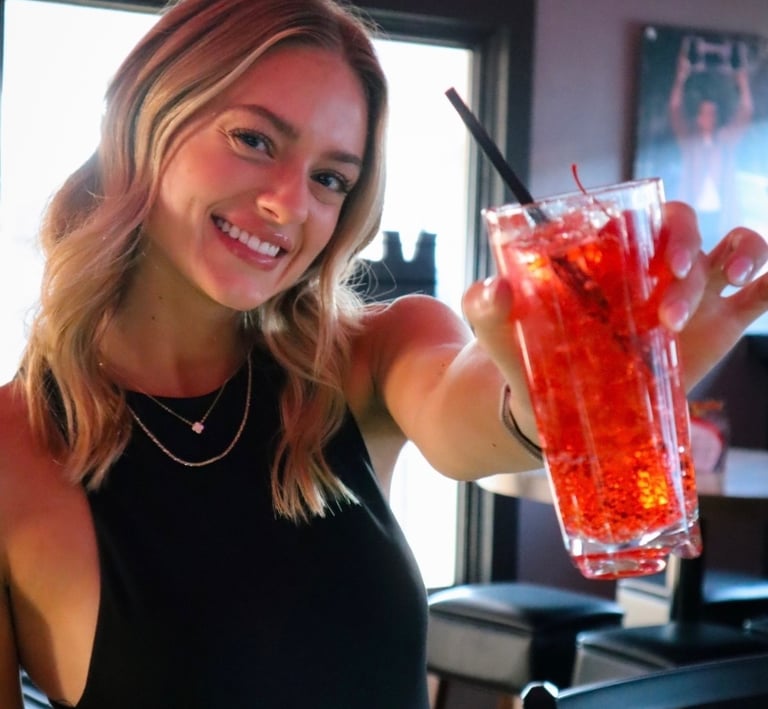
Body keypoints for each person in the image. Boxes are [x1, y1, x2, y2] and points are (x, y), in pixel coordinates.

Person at [1, 0, 767, 707]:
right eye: (254, 139)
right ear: (143, 118)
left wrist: (566, 384)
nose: (290, 205)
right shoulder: (11, 449)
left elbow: (473, 414)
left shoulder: (367, 357)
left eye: (331, 178)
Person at [668, 35, 754, 248]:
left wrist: (742, 83)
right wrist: (680, 78)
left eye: (713, 114)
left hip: (721, 217)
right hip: (693, 216)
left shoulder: (725, 142)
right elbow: (675, 111)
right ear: (698, 117)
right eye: (706, 113)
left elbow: (746, 112)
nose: (710, 118)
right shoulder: (690, 140)